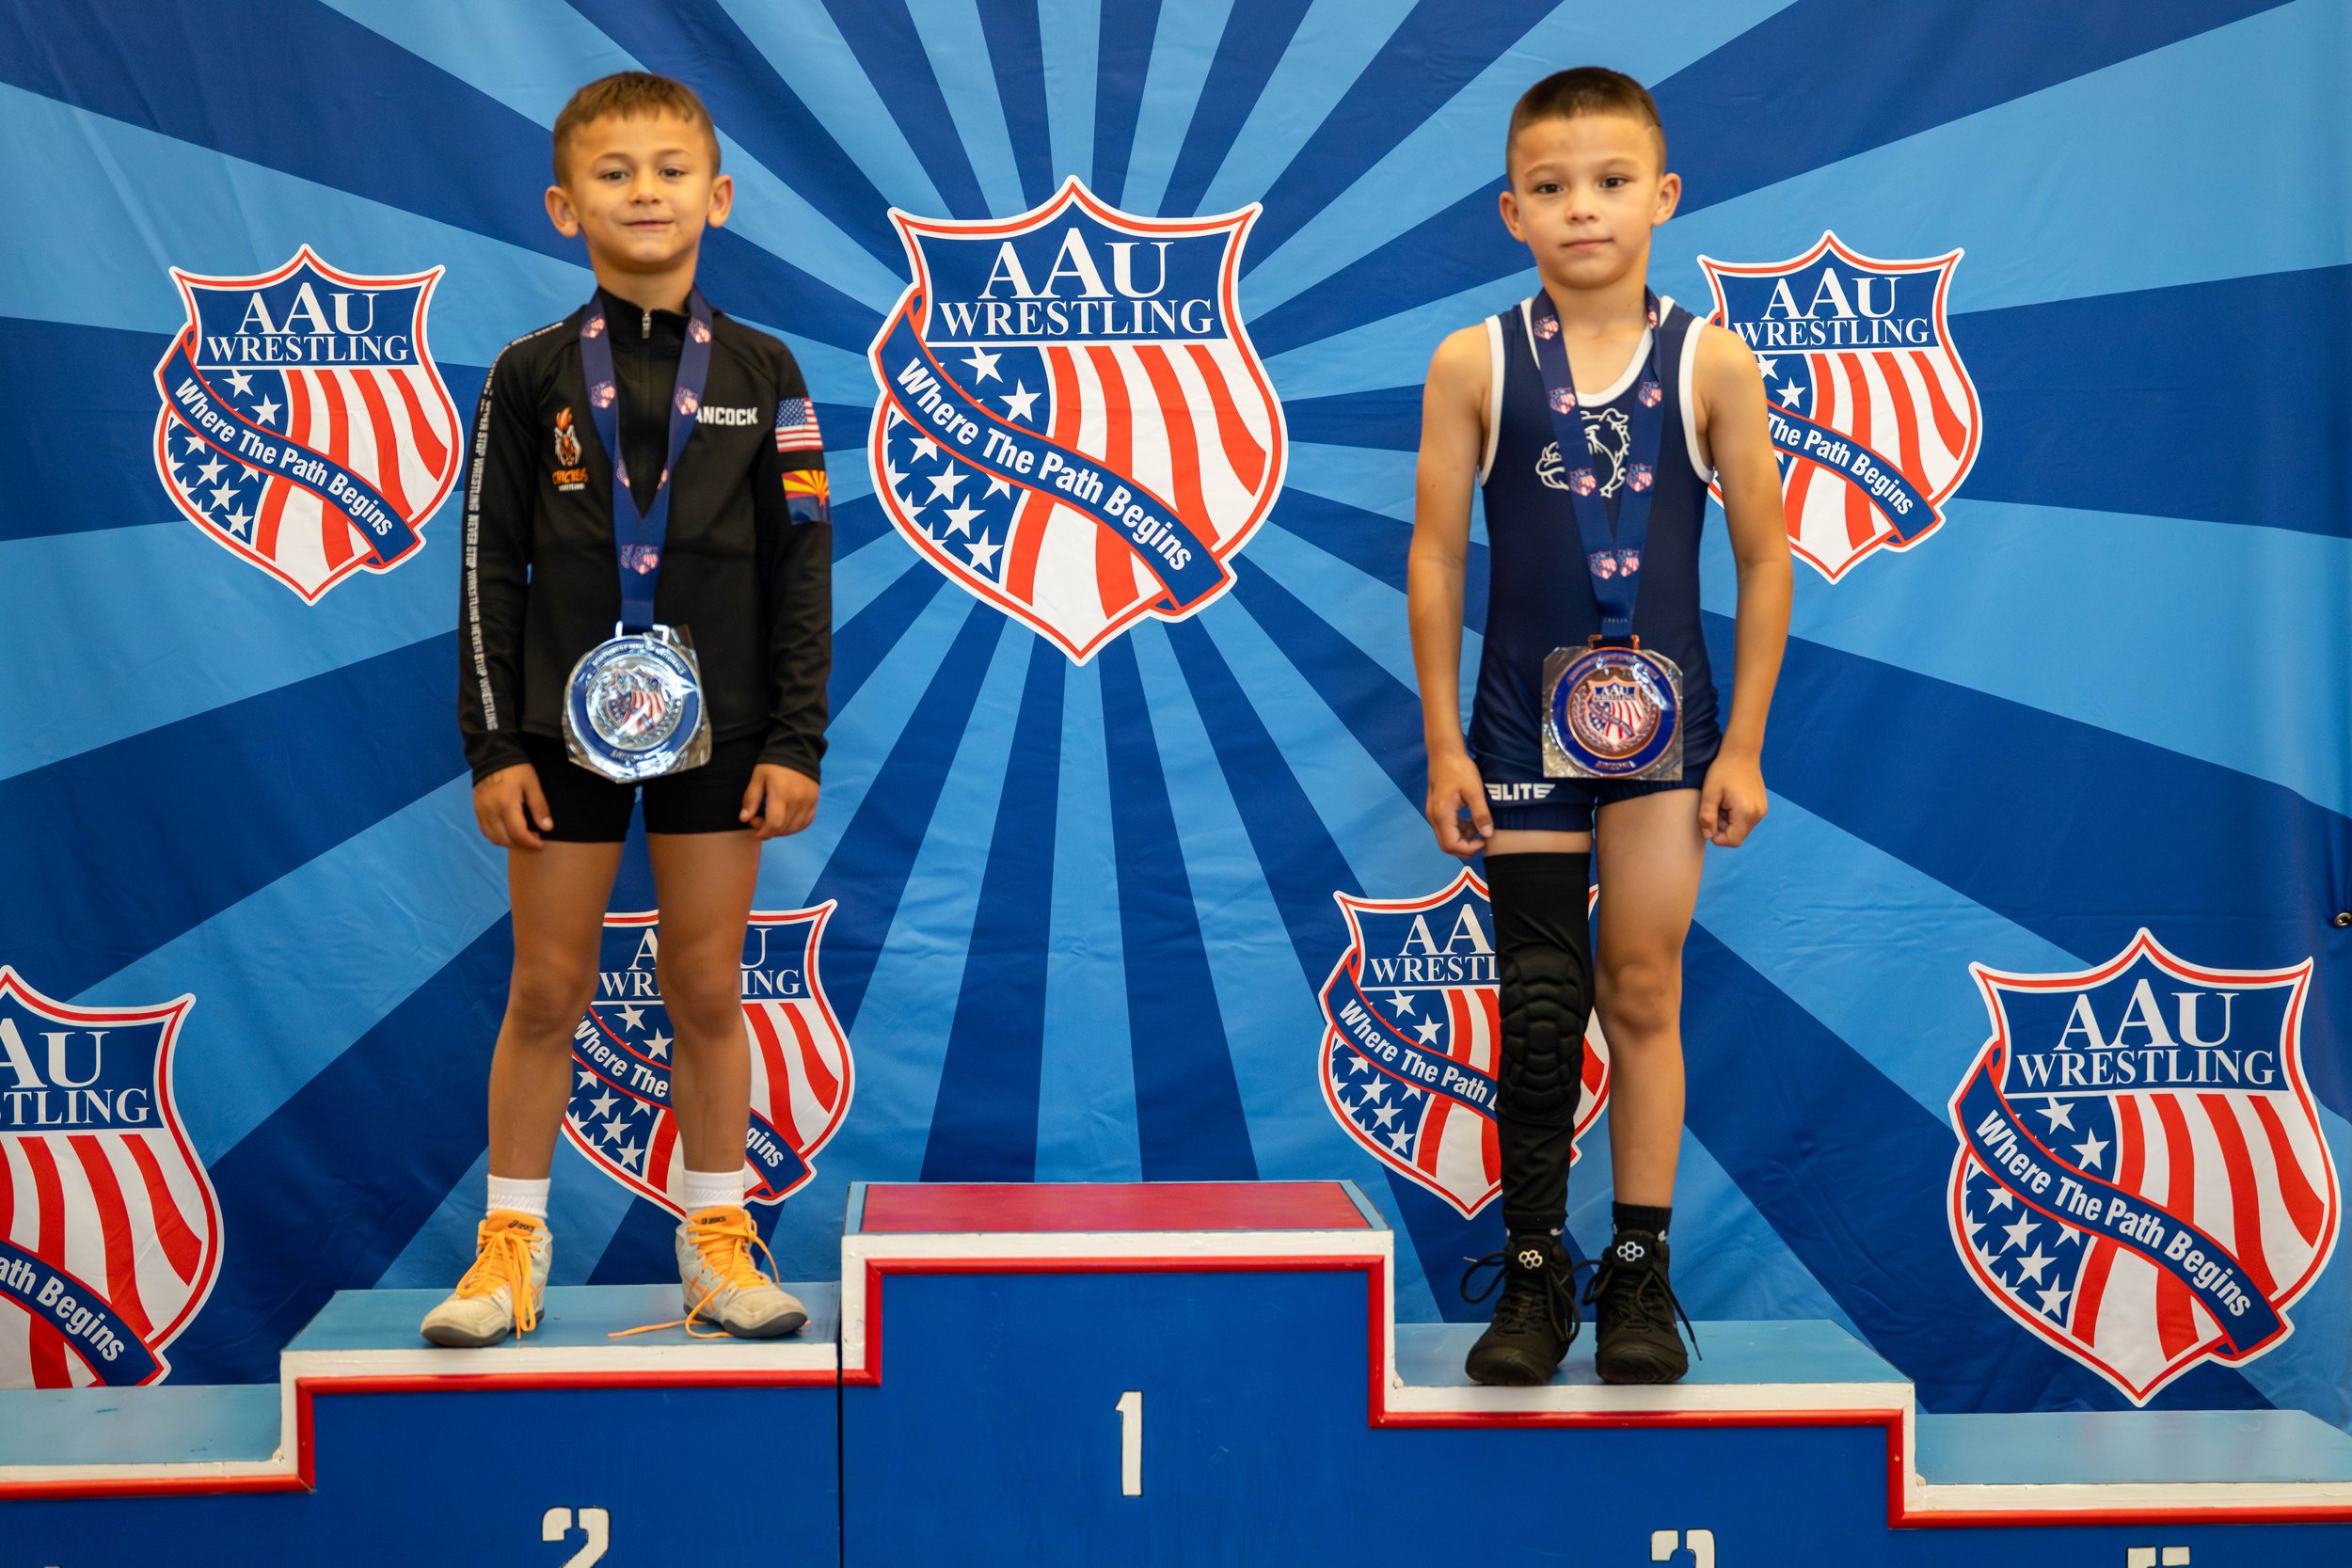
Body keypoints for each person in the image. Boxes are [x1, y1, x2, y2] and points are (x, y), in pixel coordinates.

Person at [425, 72, 833, 1346]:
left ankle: (716, 1239)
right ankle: (507, 1252)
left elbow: (803, 564)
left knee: (707, 986)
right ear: (563, 206)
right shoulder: (527, 373)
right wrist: (495, 745)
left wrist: (798, 736)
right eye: (613, 173)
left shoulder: (768, 371)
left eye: (669, 170)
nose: (643, 191)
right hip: (559, 734)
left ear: (717, 196)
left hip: (728, 734)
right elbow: (487, 567)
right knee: (548, 990)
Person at [1408, 67, 1791, 1386]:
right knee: (1535, 1000)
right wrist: (1448, 745)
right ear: (1512, 211)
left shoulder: (1711, 359)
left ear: (1664, 198)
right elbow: (1437, 563)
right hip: (1518, 730)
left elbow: (1764, 556)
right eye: (1554, 188)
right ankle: (1532, 1271)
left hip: (1663, 738)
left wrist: (1741, 744)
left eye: (1613, 183)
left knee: (1638, 984)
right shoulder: (1473, 361)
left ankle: (1637, 1270)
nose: (1585, 210)